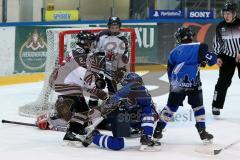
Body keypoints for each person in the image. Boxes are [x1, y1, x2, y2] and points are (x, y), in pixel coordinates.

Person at [153, 26, 216, 144]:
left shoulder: (174, 51)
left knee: (170, 108)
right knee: (198, 107)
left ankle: (157, 131)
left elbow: (170, 71)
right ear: (191, 37)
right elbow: (212, 61)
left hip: (177, 85)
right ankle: (202, 132)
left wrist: (174, 86)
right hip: (194, 85)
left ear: (179, 38)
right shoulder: (200, 47)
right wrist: (209, 57)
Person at [47, 30, 108, 145]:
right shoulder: (82, 56)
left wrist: (94, 88)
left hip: (66, 84)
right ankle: (69, 132)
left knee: (83, 111)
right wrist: (96, 88)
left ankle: (76, 128)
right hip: (66, 85)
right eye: (91, 42)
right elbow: (85, 78)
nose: (93, 45)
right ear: (85, 43)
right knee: (83, 111)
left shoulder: (77, 52)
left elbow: (81, 80)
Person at [75, 72, 160, 151]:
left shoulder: (123, 92)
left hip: (121, 117)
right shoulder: (138, 89)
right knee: (148, 111)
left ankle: (94, 136)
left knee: (118, 144)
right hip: (120, 116)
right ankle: (146, 138)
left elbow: (106, 107)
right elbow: (150, 111)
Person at [90, 16, 129, 108]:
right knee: (98, 83)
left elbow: (125, 56)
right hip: (100, 65)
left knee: (113, 87)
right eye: (112, 27)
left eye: (116, 27)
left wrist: (121, 68)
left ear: (119, 27)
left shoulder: (123, 40)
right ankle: (92, 105)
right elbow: (95, 49)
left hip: (113, 67)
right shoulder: (102, 35)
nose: (114, 29)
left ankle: (113, 106)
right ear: (109, 27)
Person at [212, 1, 240, 117]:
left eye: (228, 13)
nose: (226, 16)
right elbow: (217, 43)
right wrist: (218, 56)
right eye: (224, 13)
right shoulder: (220, 26)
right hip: (227, 57)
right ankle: (216, 105)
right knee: (223, 82)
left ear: (234, 13)